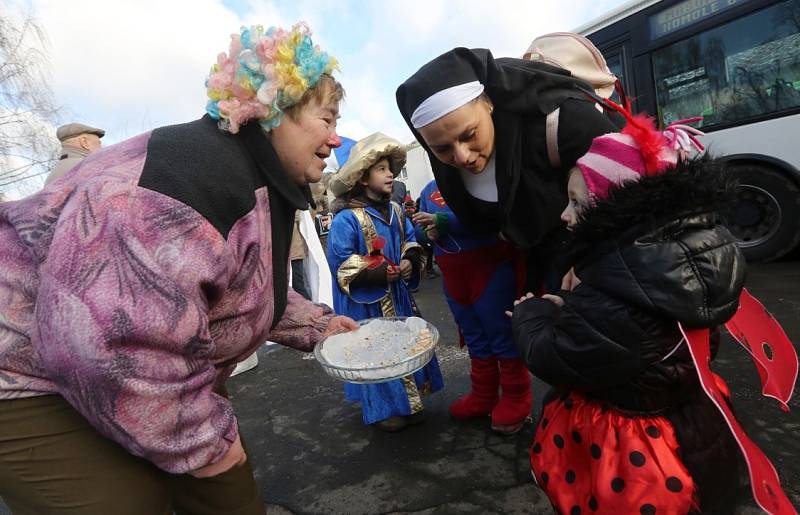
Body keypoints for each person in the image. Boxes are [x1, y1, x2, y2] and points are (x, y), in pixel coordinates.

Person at [0, 22, 358, 514]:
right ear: (275, 109)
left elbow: (232, 284)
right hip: (23, 374)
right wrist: (207, 448)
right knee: (131, 501)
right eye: (327, 118)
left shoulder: (253, 179)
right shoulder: (188, 180)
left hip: (109, 363)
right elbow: (110, 347)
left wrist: (316, 325)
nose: (337, 139)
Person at [510, 106, 792, 513]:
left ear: (613, 209)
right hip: (689, 412)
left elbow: (561, 356)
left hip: (632, 445)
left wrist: (533, 314)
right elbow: (628, 337)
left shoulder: (614, 284)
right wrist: (571, 304)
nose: (564, 214)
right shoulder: (678, 260)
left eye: (575, 201)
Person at [396, 48, 624, 292]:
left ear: (488, 103)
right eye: (441, 148)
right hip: (535, 270)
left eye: (470, 134)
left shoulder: (563, 121)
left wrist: (592, 257)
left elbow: (631, 193)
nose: (461, 156)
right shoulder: (446, 170)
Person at [327, 132, 444, 432]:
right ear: (362, 178)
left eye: (389, 167)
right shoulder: (346, 220)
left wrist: (408, 260)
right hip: (367, 306)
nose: (390, 173)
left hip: (397, 297)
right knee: (376, 353)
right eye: (381, 169)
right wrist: (379, 271)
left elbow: (407, 239)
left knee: (402, 347)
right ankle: (384, 411)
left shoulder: (394, 210)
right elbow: (341, 263)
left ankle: (408, 402)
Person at [415, 179, 529, 434]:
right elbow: (419, 230)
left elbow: (495, 219)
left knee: (503, 335)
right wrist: (427, 233)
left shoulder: (486, 182)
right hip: (454, 277)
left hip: (490, 270)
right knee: (475, 338)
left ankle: (516, 399)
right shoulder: (429, 189)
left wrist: (445, 223)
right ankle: (484, 395)